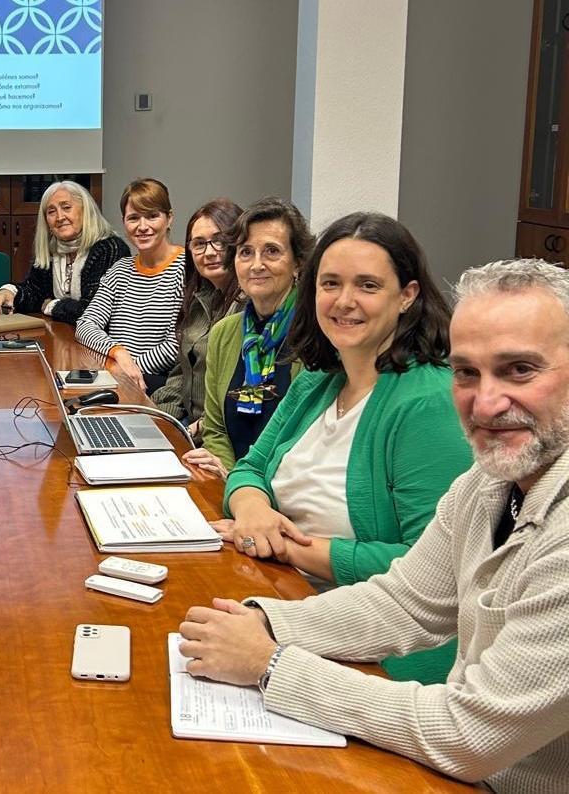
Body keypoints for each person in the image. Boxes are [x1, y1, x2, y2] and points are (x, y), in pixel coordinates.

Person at [178, 258, 569, 792]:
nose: (486, 402)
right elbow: (405, 601)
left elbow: (470, 732)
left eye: (520, 370)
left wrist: (271, 665)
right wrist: (262, 621)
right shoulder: (487, 483)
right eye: (466, 372)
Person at [218, 213, 472, 682]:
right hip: (286, 603)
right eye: (330, 283)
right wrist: (251, 509)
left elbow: (432, 570)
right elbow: (250, 466)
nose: (344, 301)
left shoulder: (427, 402)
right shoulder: (318, 380)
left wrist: (291, 548)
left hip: (380, 659)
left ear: (408, 296)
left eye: (368, 286)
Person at [189, 197, 314, 475]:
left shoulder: (315, 334)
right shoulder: (224, 333)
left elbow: (304, 442)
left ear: (297, 264)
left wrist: (245, 486)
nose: (256, 264)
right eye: (246, 252)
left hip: (283, 492)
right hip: (230, 483)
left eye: (271, 251)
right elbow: (216, 428)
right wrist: (230, 477)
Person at [75, 177, 186, 393]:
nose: (142, 227)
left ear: (169, 218)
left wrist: (128, 369)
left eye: (152, 216)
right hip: (117, 377)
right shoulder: (119, 270)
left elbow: (176, 346)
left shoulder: (186, 269)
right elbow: (85, 324)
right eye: (133, 218)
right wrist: (118, 354)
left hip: (158, 386)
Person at [151, 198, 244, 434]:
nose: (209, 252)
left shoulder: (249, 307)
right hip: (186, 426)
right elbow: (182, 373)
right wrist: (160, 421)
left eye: (219, 241)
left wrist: (190, 433)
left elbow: (237, 396)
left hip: (216, 434)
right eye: (199, 244)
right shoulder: (198, 298)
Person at [0, 180, 128, 323]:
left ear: (86, 211)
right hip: (62, 335)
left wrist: (52, 305)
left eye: (66, 207)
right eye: (51, 212)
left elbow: (93, 311)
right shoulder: (51, 249)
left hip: (103, 341)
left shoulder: (110, 249)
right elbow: (35, 293)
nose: (60, 217)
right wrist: (10, 292)